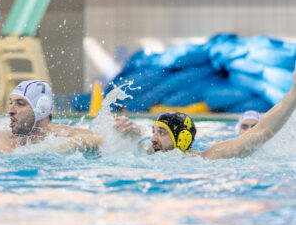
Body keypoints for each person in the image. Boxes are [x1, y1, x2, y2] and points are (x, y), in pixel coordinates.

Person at [114, 63, 296, 160]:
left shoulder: (207, 159)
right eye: (154, 131)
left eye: (161, 132)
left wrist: (294, 91)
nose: (153, 138)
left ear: (183, 139)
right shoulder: (144, 155)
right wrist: (130, 140)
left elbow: (261, 131)